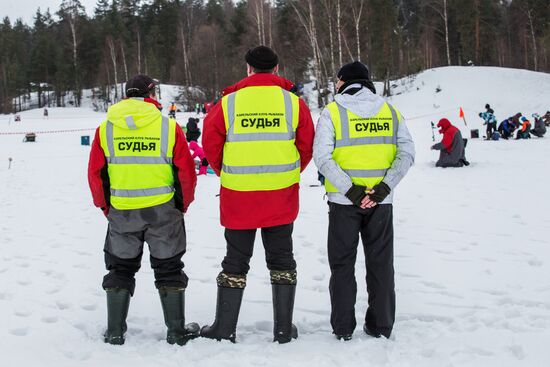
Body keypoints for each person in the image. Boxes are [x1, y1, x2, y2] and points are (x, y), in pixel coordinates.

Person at [201, 45, 314, 344]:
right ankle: (283, 330)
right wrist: (288, 173)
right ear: (276, 69)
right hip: (280, 195)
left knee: (235, 260)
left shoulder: (229, 103)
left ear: (248, 69)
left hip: (239, 196)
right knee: (282, 258)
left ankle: (224, 329)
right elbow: (306, 145)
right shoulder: (293, 103)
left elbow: (210, 142)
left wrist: (227, 171)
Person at [87, 74, 200, 346]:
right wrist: (181, 205)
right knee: (169, 267)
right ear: (151, 94)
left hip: (122, 210)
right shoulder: (168, 128)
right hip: (163, 211)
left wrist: (106, 206)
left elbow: (95, 173)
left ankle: (115, 332)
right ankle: (176, 331)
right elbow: (185, 172)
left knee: (120, 268)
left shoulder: (106, 129)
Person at [313, 61, 415, 341]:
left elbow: (322, 157)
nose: (335, 85)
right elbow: (407, 153)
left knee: (342, 264)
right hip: (381, 203)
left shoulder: (332, 112)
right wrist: (383, 187)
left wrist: (352, 191)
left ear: (345, 81)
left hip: (344, 203)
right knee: (381, 263)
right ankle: (381, 325)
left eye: (337, 80)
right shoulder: (390, 111)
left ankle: (343, 327)